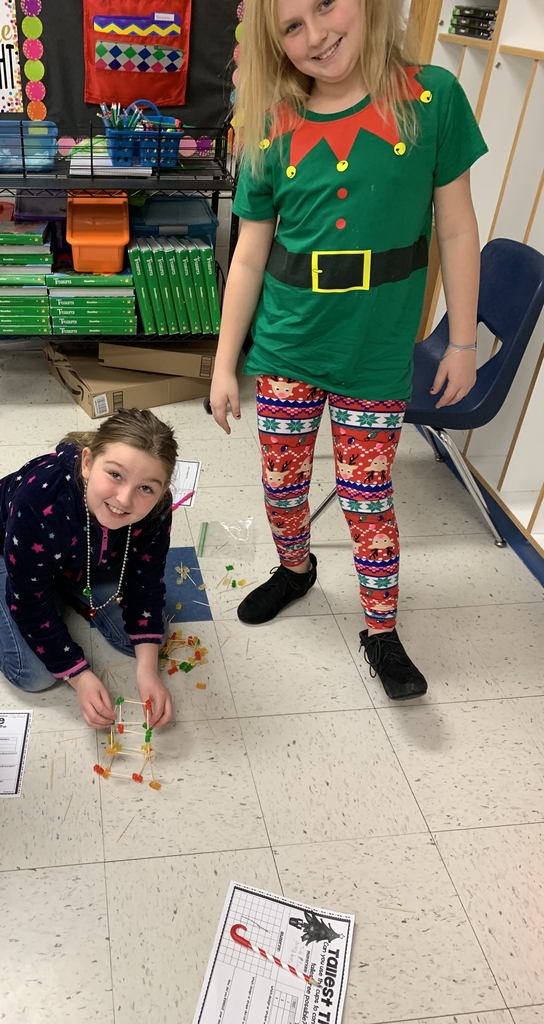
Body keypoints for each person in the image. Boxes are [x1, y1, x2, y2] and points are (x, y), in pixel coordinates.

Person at [210, 0, 487, 700]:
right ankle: (296, 569)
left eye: (325, 7)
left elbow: (456, 230)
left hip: (373, 353)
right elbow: (248, 255)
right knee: (282, 485)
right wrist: (223, 365)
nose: (315, 35)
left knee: (368, 498)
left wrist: (461, 340)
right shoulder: (270, 124)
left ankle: (382, 630)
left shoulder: (432, 98)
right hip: (285, 347)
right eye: (291, 28)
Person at [0, 408, 177, 729]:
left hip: (81, 554)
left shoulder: (157, 509)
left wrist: (148, 673)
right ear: (88, 463)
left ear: (161, 490)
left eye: (146, 488)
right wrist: (79, 676)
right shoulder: (37, 503)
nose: (124, 499)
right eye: (115, 475)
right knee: (32, 675)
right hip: (5, 546)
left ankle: (66, 580)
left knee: (147, 638)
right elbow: (30, 606)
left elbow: (145, 582)